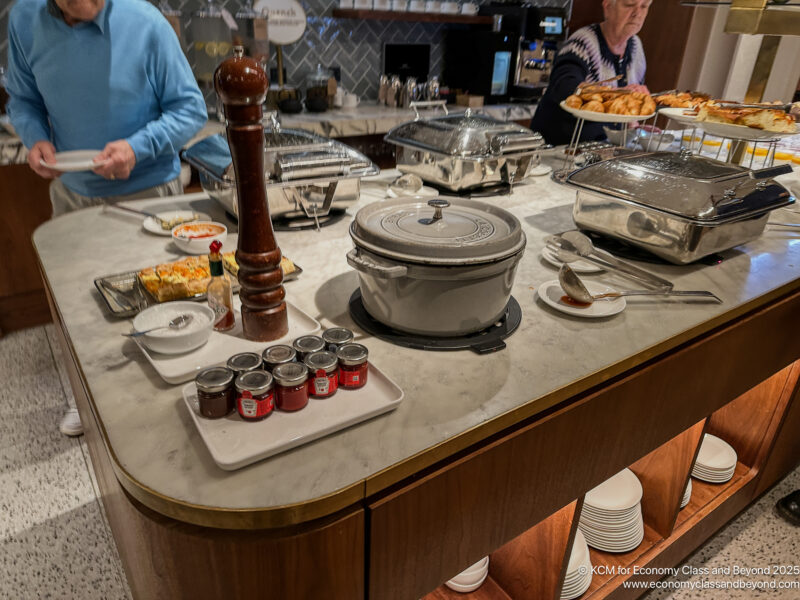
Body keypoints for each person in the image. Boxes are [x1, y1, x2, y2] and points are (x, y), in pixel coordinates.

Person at [7, 0, 208, 435]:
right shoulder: (24, 21)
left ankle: (169, 404)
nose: (94, 6)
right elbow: (23, 100)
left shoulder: (147, 23)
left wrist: (137, 147)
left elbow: (190, 110)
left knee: (161, 302)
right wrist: (36, 137)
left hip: (150, 197)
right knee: (81, 308)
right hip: (73, 196)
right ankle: (87, 399)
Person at [530, 0, 652, 146]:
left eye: (644, 6)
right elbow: (564, 86)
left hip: (601, 148)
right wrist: (617, 93)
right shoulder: (582, 42)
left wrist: (635, 128)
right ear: (607, 7)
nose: (637, 13)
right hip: (561, 148)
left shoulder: (636, 47)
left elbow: (623, 109)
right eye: (629, 5)